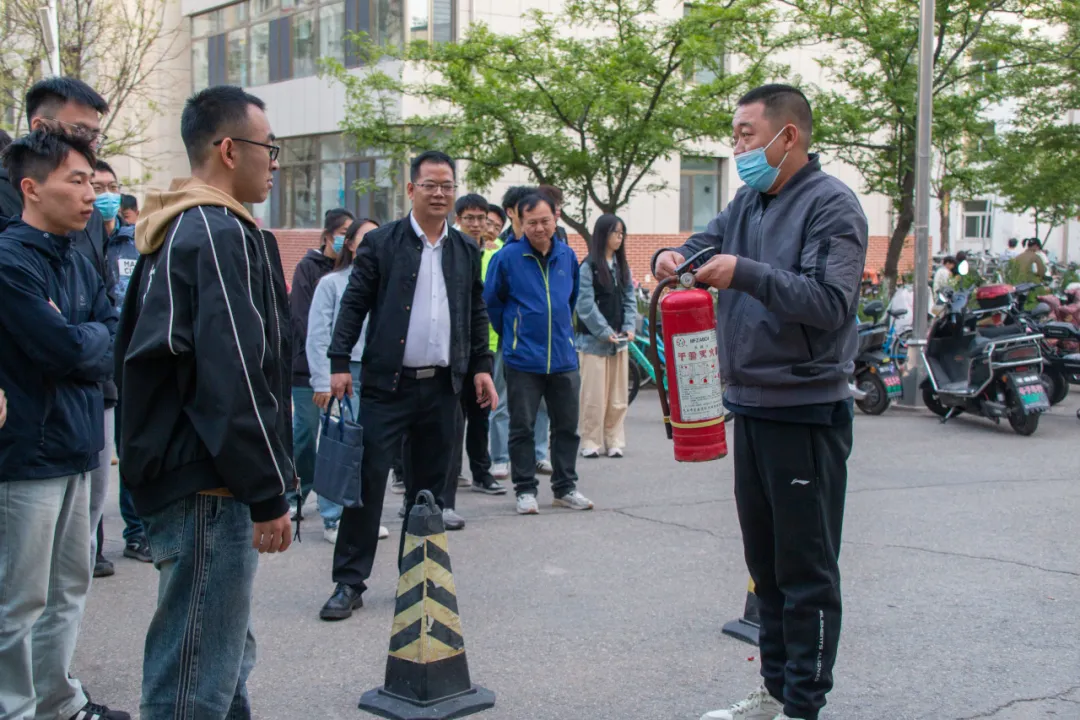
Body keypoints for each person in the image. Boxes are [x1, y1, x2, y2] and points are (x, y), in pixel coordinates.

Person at [654, 84, 867, 720]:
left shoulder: (832, 205)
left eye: (746, 135)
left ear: (787, 135)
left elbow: (830, 302)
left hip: (805, 408)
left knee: (806, 569)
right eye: (736, 136)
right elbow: (706, 243)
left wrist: (743, 272)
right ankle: (775, 691)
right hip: (751, 404)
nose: (738, 148)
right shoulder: (748, 200)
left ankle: (803, 705)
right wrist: (675, 255)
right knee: (765, 566)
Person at [114, 85, 294, 720]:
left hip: (190, 475)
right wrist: (268, 491)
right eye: (269, 147)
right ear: (228, 149)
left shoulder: (175, 230)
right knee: (193, 677)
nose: (275, 162)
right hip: (209, 485)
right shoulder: (215, 233)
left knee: (221, 656)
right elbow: (233, 374)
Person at [322, 150, 496, 621]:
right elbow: (354, 303)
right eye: (430, 185)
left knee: (429, 490)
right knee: (367, 482)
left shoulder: (465, 250)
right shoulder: (382, 243)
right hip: (387, 386)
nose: (439, 193)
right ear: (411, 189)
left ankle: (417, 578)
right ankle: (349, 581)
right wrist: (339, 362)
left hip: (442, 388)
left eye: (447, 186)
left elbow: (475, 311)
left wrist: (481, 365)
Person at [0, 130, 126, 720]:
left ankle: (57, 701)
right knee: (18, 600)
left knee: (69, 589)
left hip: (80, 444)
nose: (90, 195)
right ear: (30, 187)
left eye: (92, 183)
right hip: (28, 454)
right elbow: (64, 350)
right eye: (76, 181)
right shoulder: (10, 261)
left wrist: (82, 339)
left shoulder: (77, 256)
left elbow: (111, 335)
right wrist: (84, 341)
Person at [21, 77, 116, 577]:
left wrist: (87, 341)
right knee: (23, 587)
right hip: (26, 421)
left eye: (96, 134)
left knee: (71, 576)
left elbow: (107, 319)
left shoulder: (84, 219)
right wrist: (78, 340)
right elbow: (56, 340)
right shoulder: (17, 232)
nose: (91, 144)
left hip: (88, 401)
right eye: (81, 131)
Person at [484, 193, 593, 515]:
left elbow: (570, 300)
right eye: (531, 222)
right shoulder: (507, 258)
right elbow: (493, 303)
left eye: (545, 221)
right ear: (520, 222)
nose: (539, 228)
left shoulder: (567, 256)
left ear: (555, 218)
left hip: (563, 357)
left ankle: (565, 487)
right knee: (522, 427)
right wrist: (514, 335)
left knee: (567, 427)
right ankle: (524, 490)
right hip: (522, 359)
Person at [305, 216, 386, 544]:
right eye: (364, 238)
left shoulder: (388, 283)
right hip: (342, 372)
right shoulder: (331, 283)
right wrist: (321, 380)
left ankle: (363, 517)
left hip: (377, 372)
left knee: (372, 448)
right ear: (349, 244)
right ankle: (333, 518)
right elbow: (317, 335)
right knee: (339, 445)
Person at [93, 159, 151, 563]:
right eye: (98, 188)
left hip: (131, 361)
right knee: (95, 458)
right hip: (96, 359)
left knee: (130, 450)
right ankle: (93, 545)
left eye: (111, 187)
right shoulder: (80, 241)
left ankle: (137, 533)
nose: (106, 196)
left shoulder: (134, 243)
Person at [439, 194, 507, 531]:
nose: (477, 224)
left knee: (480, 416)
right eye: (471, 218)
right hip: (451, 351)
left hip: (485, 347)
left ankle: (482, 472)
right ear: (458, 219)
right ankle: (442, 483)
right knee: (450, 422)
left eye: (483, 219)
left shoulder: (495, 253)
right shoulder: (448, 248)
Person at [288, 207, 355, 516]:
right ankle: (295, 493)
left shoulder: (355, 273)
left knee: (336, 437)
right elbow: (304, 320)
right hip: (307, 368)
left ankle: (331, 502)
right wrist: (321, 366)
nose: (346, 240)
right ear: (328, 236)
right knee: (304, 435)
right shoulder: (309, 268)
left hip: (344, 370)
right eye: (342, 233)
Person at [489, 185, 553, 480]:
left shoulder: (553, 245)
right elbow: (493, 300)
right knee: (502, 399)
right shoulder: (500, 249)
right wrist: (508, 329)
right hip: (510, 340)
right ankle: (500, 458)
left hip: (544, 342)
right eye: (526, 212)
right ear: (512, 213)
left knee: (542, 402)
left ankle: (539, 454)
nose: (536, 223)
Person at [575, 213, 637, 459]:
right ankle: (590, 441)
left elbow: (630, 299)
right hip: (593, 344)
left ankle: (614, 440)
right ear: (603, 234)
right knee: (593, 396)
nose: (619, 238)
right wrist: (604, 331)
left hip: (619, 343)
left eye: (622, 233)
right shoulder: (588, 266)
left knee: (618, 397)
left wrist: (629, 326)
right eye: (615, 232)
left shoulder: (622, 267)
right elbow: (584, 305)